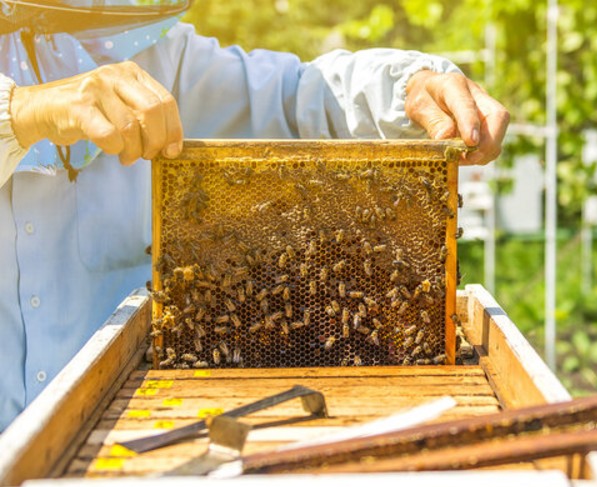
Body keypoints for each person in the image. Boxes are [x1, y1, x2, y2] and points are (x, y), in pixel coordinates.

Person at [0, 0, 509, 431]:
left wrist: (409, 88)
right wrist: (22, 110)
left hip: (126, 434)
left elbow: (297, 97)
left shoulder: (148, 50)